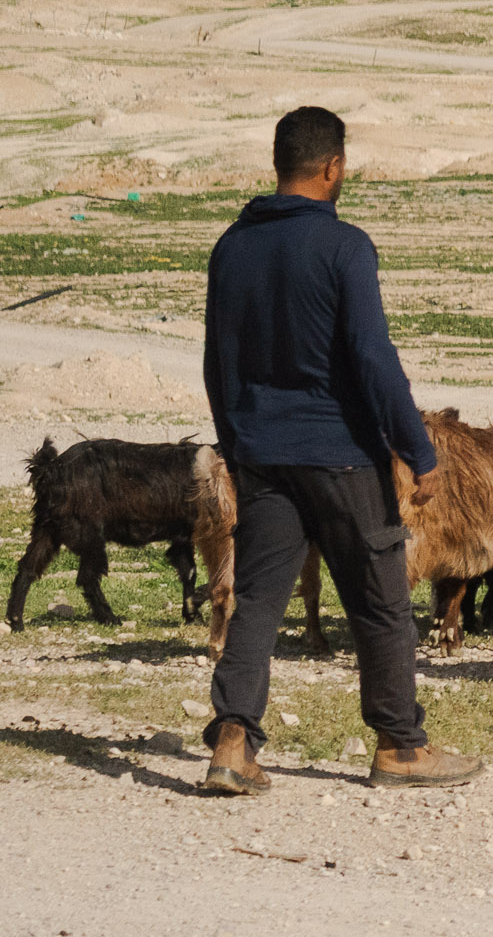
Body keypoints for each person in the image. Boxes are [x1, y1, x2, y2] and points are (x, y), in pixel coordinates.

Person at [198, 104, 477, 795]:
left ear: (278, 164)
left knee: (259, 599)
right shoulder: (346, 247)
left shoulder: (232, 246)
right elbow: (372, 359)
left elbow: (216, 360)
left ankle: (232, 742)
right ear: (334, 167)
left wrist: (237, 441)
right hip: (342, 454)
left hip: (263, 451)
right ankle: (399, 746)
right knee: (380, 601)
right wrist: (418, 447)